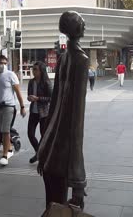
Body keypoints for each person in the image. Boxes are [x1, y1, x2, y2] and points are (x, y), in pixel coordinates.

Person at [38, 11, 89, 210]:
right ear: (75, 29)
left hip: (50, 148)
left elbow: (53, 106)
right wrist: (78, 178)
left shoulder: (64, 57)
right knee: (59, 209)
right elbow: (77, 121)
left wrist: (44, 145)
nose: (84, 25)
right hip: (63, 152)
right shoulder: (81, 60)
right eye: (82, 22)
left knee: (51, 207)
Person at [0, 55, 26, 166]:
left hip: (9, 106)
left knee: (5, 130)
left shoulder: (11, 75)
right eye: (0, 63)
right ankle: (9, 150)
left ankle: (4, 156)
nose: (2, 65)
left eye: (4, 63)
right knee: (2, 130)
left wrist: (22, 107)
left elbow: (18, 92)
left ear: (7, 64)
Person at [27, 61, 52, 164]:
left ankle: (39, 155)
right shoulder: (31, 82)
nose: (34, 71)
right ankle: (39, 153)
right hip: (33, 111)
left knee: (43, 135)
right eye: (33, 69)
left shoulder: (46, 82)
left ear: (41, 71)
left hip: (44, 113)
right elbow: (29, 95)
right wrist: (30, 98)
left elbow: (51, 98)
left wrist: (38, 98)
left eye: (36, 69)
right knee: (30, 134)